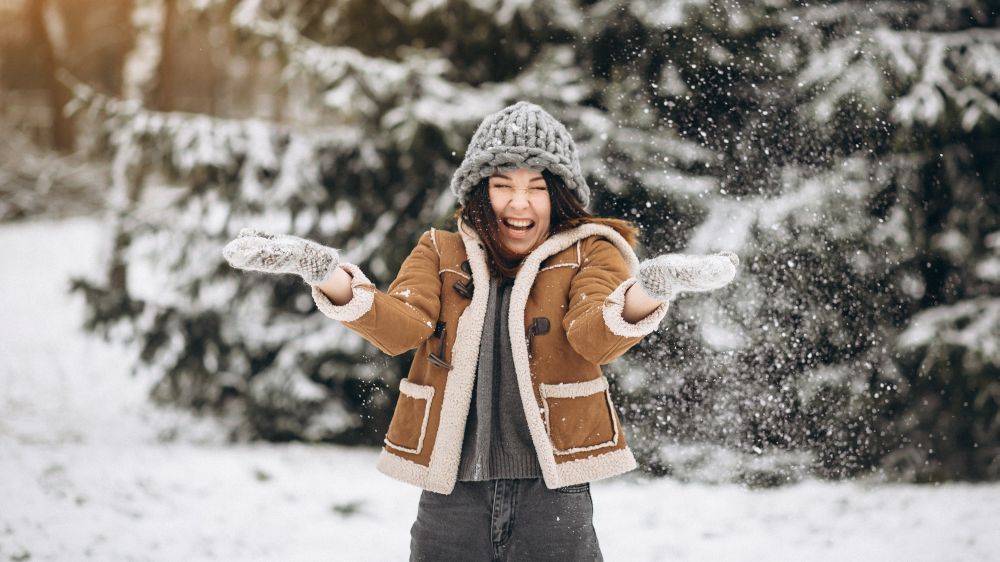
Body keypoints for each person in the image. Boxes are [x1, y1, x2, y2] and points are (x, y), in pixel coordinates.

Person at [222, 101, 739, 561]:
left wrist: (652, 288)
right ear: (477, 191)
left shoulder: (593, 251)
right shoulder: (440, 251)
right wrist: (321, 269)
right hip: (451, 492)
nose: (520, 203)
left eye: (537, 187)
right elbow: (400, 326)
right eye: (503, 185)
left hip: (552, 494)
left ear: (559, 197)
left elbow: (593, 336)